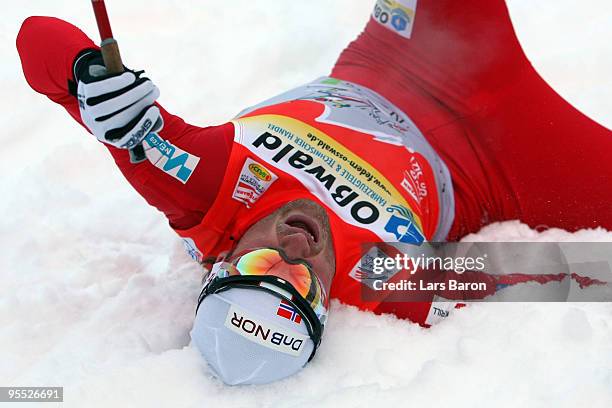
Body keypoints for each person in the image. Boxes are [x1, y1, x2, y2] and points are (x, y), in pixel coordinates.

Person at [17, 0, 611, 385]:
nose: (295, 254)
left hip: (411, 50)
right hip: (508, 161)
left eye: (262, 264)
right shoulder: (381, 281)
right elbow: (571, 272)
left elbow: (34, 38)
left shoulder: (204, 186)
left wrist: (89, 80)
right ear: (327, 308)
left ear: (221, 262)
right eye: (302, 285)